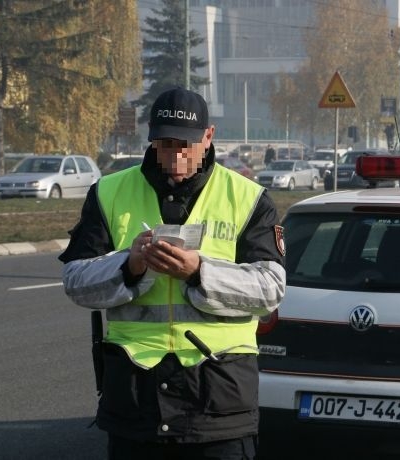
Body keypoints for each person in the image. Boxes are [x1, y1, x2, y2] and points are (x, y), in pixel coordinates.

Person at [59, 86, 286, 460]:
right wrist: (129, 267)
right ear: (150, 138)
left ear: (209, 136)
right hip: (135, 402)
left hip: (216, 405)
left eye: (186, 144)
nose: (176, 155)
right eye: (165, 144)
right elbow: (75, 283)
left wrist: (199, 272)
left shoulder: (248, 198)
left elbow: (271, 288)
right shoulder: (109, 192)